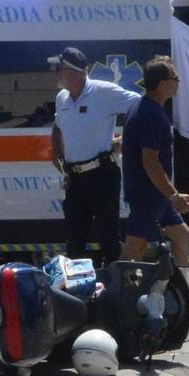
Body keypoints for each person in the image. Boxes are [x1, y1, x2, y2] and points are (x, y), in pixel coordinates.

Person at [50, 46, 140, 265]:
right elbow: (58, 126)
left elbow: (141, 105)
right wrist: (57, 153)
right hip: (75, 177)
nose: (56, 74)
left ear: (71, 72)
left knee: (108, 237)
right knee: (74, 240)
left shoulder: (103, 92)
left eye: (59, 69)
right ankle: (75, 292)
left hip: (102, 174)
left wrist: (125, 140)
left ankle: (113, 291)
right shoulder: (62, 98)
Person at [121, 55, 189, 263]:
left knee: (183, 237)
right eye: (175, 78)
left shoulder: (147, 108)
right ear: (163, 83)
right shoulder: (150, 114)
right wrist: (173, 195)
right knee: (134, 251)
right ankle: (119, 292)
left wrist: (171, 194)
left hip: (157, 194)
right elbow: (150, 161)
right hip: (148, 195)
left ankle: (177, 289)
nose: (178, 82)